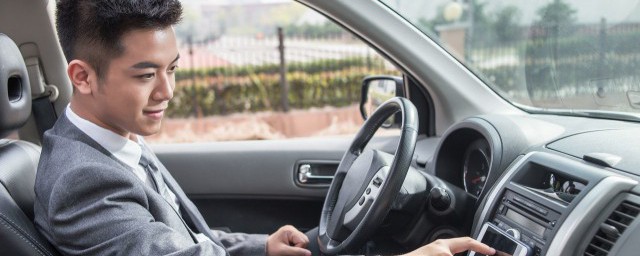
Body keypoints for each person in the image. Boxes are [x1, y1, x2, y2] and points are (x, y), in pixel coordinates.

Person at [33, 0, 496, 255]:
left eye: (171, 68)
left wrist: (263, 249)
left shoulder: (110, 141)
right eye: (145, 74)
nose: (167, 91)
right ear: (82, 77)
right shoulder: (82, 180)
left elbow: (191, 243)